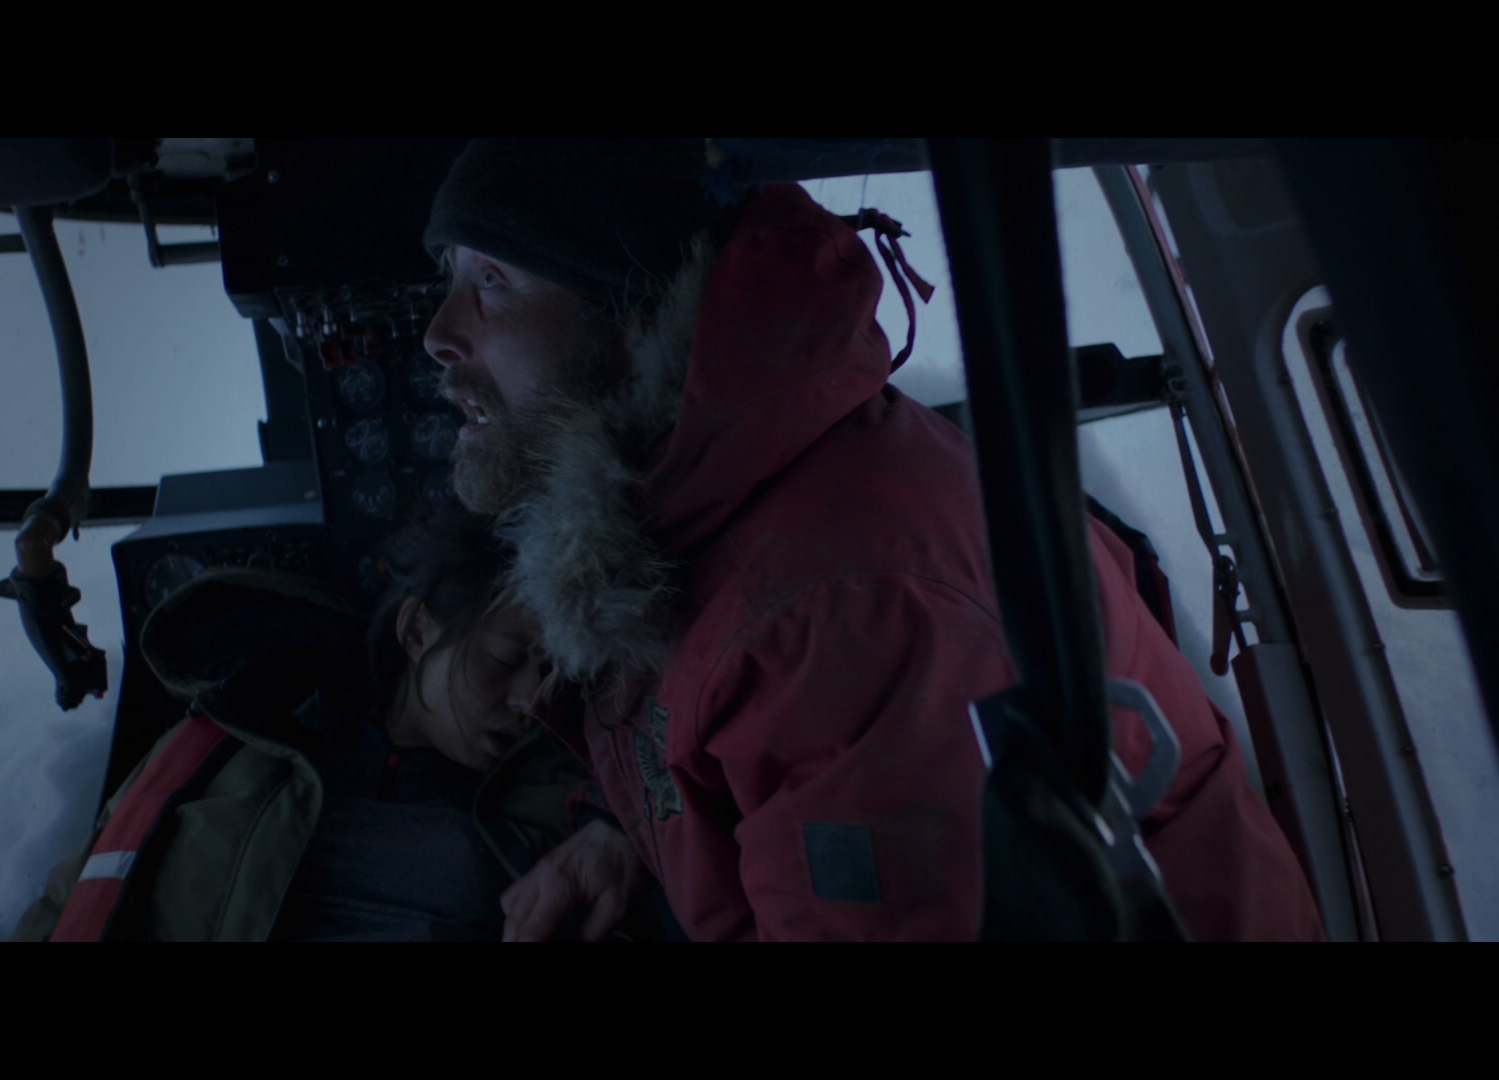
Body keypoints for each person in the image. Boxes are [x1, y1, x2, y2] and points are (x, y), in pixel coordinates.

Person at [421, 138, 1325, 942]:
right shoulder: (704, 503)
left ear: (637, 317)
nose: (438, 336)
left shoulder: (834, 615)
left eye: (491, 281)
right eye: (449, 279)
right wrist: (620, 836)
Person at [13, 508, 628, 942]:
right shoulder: (230, 741)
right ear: (417, 630)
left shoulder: (572, 804)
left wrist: (620, 831)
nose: (530, 701)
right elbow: (75, 896)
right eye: (505, 660)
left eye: (550, 676)